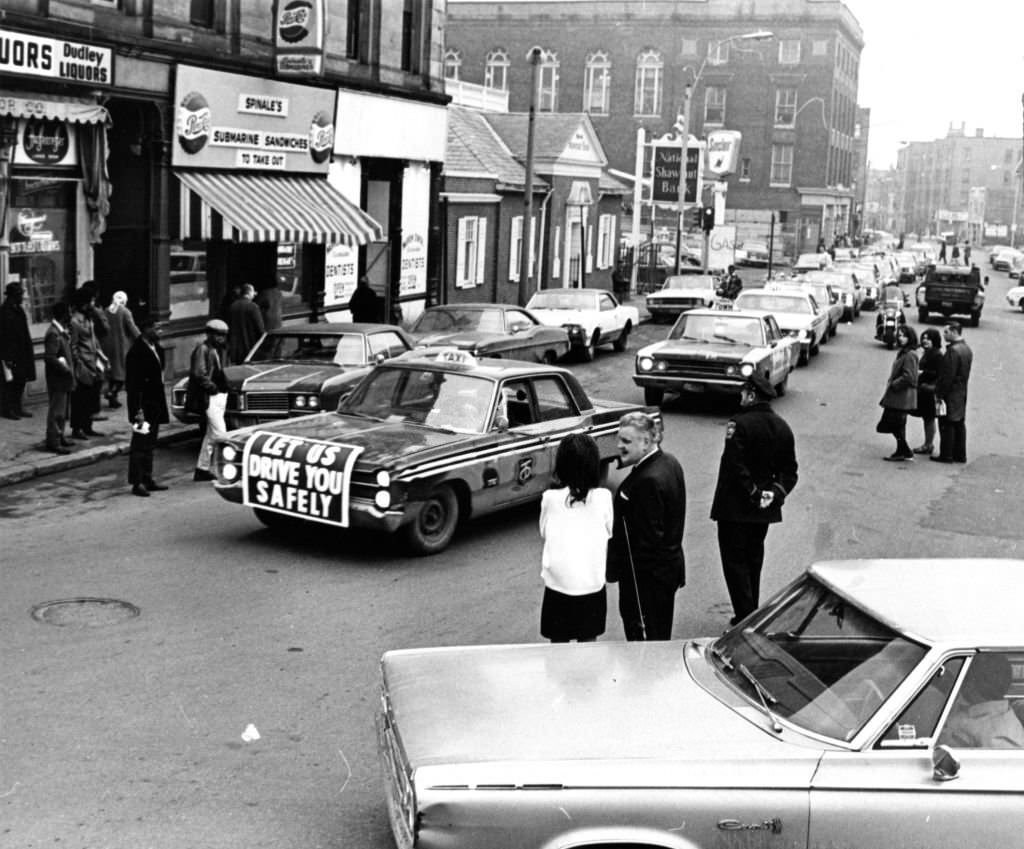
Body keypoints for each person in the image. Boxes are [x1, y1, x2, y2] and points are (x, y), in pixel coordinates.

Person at [710, 373, 798, 625]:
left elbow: (734, 466)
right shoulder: (782, 427)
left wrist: (753, 493)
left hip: (735, 509)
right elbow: (790, 470)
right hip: (763, 511)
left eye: (743, 392)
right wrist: (774, 492)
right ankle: (750, 612)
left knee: (735, 563)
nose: (740, 397)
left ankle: (745, 618)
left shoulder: (739, 423)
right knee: (753, 559)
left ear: (751, 395)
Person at [606, 412, 686, 641]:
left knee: (646, 643)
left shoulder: (647, 481)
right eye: (619, 439)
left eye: (626, 441)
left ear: (647, 441)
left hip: (645, 584)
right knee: (659, 635)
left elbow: (649, 542)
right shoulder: (669, 462)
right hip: (662, 576)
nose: (619, 446)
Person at [538, 434, 613, 643]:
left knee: (558, 647)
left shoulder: (550, 499)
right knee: (588, 646)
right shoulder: (604, 498)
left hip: (558, 587)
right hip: (591, 586)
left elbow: (543, 531)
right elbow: (609, 531)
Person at [124, 317, 170, 497]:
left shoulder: (157, 348)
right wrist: (138, 411)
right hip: (142, 405)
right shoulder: (136, 352)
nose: (159, 332)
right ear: (145, 329)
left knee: (150, 444)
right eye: (156, 328)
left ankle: (147, 478)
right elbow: (133, 386)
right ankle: (137, 482)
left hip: (155, 404)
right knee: (139, 444)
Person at [938, 654, 1024, 749]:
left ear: (971, 685)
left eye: (965, 678)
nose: (962, 683)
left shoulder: (1000, 738)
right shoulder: (975, 706)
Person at [190, 319, 230, 481]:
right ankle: (227, 468)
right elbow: (199, 374)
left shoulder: (218, 349)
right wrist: (212, 387)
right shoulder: (203, 349)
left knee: (211, 435)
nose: (221, 338)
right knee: (222, 434)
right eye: (218, 335)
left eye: (223, 335)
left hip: (219, 395)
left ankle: (202, 468)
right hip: (210, 397)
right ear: (209, 334)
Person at [69, 288, 109, 440]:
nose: (93, 304)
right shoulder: (74, 321)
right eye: (90, 301)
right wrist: (79, 365)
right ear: (83, 303)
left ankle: (88, 426)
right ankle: (77, 428)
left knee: (91, 396)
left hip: (93, 361)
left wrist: (101, 355)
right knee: (80, 398)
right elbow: (73, 346)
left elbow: (95, 339)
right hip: (83, 364)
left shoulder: (89, 318)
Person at [932, 321, 973, 464]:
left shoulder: (953, 351)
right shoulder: (966, 349)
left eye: (946, 332)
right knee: (959, 423)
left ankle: (947, 454)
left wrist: (939, 393)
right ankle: (960, 454)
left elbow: (947, 376)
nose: (944, 335)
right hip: (961, 392)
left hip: (951, 393)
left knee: (947, 422)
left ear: (955, 332)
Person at [879, 324, 919, 461]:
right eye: (900, 335)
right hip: (898, 396)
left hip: (902, 397)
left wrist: (894, 385)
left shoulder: (910, 355)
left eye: (904, 336)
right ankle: (903, 450)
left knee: (897, 424)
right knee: (897, 424)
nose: (901, 338)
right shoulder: (903, 352)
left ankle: (904, 451)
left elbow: (909, 377)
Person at [42, 301, 75, 455]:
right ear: (62, 315)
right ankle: (53, 440)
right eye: (68, 312)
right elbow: (50, 357)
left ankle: (60, 436)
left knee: (62, 411)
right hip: (58, 378)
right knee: (56, 410)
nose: (70, 315)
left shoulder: (60, 331)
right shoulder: (54, 333)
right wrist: (65, 368)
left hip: (64, 378)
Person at [0, 281, 36, 419]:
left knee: (20, 381)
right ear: (14, 296)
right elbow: (4, 336)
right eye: (20, 294)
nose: (23, 297)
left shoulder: (18, 310)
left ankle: (17, 407)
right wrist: (6, 357)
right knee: (10, 383)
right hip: (12, 353)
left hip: (21, 351)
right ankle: (8, 409)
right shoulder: (5, 312)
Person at [101, 290, 140, 409]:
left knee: (113, 373)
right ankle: (112, 393)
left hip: (107, 346)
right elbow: (133, 329)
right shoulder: (125, 312)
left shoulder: (106, 311)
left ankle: (113, 398)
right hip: (121, 346)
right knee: (123, 373)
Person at [911, 328, 943, 455]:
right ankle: (927, 444)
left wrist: (922, 372)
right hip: (924, 390)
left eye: (928, 339)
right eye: (923, 338)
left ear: (934, 340)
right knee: (927, 418)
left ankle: (928, 444)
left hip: (929, 391)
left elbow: (938, 373)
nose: (925, 341)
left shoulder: (937, 355)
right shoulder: (927, 352)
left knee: (929, 418)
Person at [227, 283, 264, 364]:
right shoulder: (253, 307)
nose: (255, 294)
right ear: (249, 292)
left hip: (235, 348)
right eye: (253, 292)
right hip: (250, 346)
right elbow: (260, 328)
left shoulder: (233, 306)